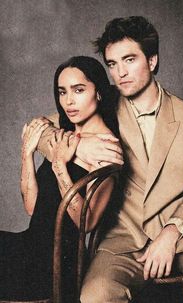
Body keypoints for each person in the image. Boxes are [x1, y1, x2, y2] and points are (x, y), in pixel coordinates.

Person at [36, 17, 183, 303]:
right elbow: (40, 128)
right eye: (112, 64)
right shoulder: (101, 107)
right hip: (125, 239)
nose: (120, 73)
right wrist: (80, 148)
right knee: (95, 296)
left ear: (152, 60)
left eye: (129, 60)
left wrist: (171, 231)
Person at [0, 56, 118, 302]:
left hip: (56, 265)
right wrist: (26, 154)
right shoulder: (64, 135)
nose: (69, 101)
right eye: (62, 92)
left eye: (79, 90)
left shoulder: (106, 149)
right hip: (29, 247)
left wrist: (59, 165)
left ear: (98, 92)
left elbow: (87, 222)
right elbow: (33, 207)